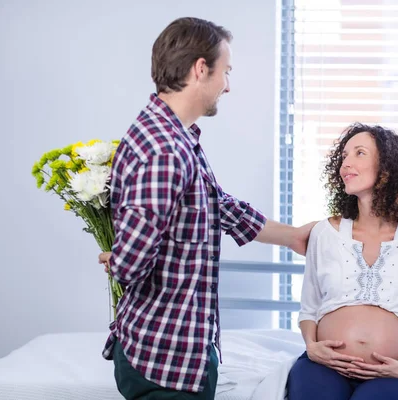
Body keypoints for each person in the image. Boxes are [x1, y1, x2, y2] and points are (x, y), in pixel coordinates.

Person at [99, 17, 316, 400]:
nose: (227, 86)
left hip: (181, 355)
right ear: (201, 69)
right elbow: (130, 267)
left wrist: (293, 236)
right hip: (165, 361)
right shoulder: (165, 150)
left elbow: (219, 206)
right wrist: (116, 259)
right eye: (225, 72)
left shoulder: (174, 137)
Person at [287, 123, 398, 400]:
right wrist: (312, 347)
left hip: (393, 374)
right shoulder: (325, 233)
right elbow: (309, 308)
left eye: (359, 153)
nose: (345, 164)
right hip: (324, 366)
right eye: (344, 156)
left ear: (387, 167)